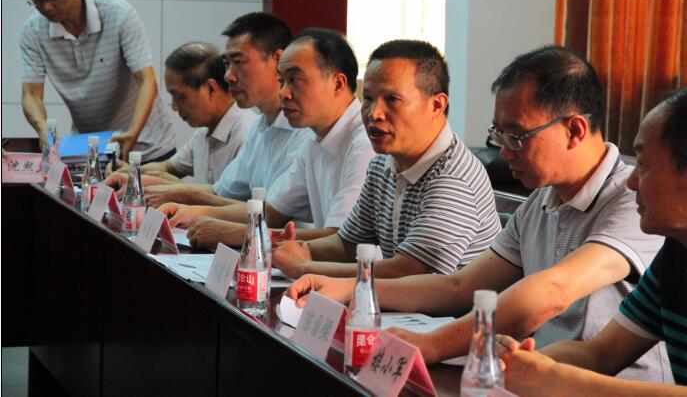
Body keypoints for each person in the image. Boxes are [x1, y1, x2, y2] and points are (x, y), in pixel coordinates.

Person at [285, 46, 671, 382]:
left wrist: (435, 344)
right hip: (535, 377)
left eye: (516, 136)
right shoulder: (541, 202)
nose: (504, 151)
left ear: (574, 130)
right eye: (498, 134)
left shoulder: (632, 202)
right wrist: (355, 288)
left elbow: (552, 292)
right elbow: (460, 286)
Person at [498, 88, 687, 394]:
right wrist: (524, 364)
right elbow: (601, 353)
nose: (632, 182)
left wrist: (560, 380)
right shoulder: (676, 256)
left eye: (643, 165)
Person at [267, 39, 501, 279]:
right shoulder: (382, 164)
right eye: (368, 98)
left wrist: (303, 267)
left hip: (452, 305)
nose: (374, 113)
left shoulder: (453, 179)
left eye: (392, 99)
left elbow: (408, 273)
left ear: (436, 105)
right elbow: (347, 244)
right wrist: (292, 249)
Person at [160, 29, 375, 247]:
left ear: (338, 83)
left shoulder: (364, 143)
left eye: (295, 80)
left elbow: (342, 241)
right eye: (282, 81)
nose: (283, 93)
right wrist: (195, 213)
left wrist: (239, 233)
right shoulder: (314, 138)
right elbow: (272, 212)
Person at [20, 0, 175, 161]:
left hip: (147, 143)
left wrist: (133, 132)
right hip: (93, 148)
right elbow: (31, 94)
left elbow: (146, 80)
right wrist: (42, 128)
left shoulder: (118, 14)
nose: (46, 7)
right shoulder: (33, 30)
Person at [144, 12, 312, 209]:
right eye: (226, 64)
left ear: (278, 60)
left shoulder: (303, 132)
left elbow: (271, 215)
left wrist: (185, 201)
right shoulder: (259, 128)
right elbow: (221, 191)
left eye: (238, 62)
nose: (228, 76)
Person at [105, 42, 257, 191]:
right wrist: (129, 170)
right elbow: (168, 167)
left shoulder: (248, 135)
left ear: (210, 88)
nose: (174, 106)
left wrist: (170, 183)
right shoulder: (203, 133)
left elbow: (229, 200)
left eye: (179, 96)